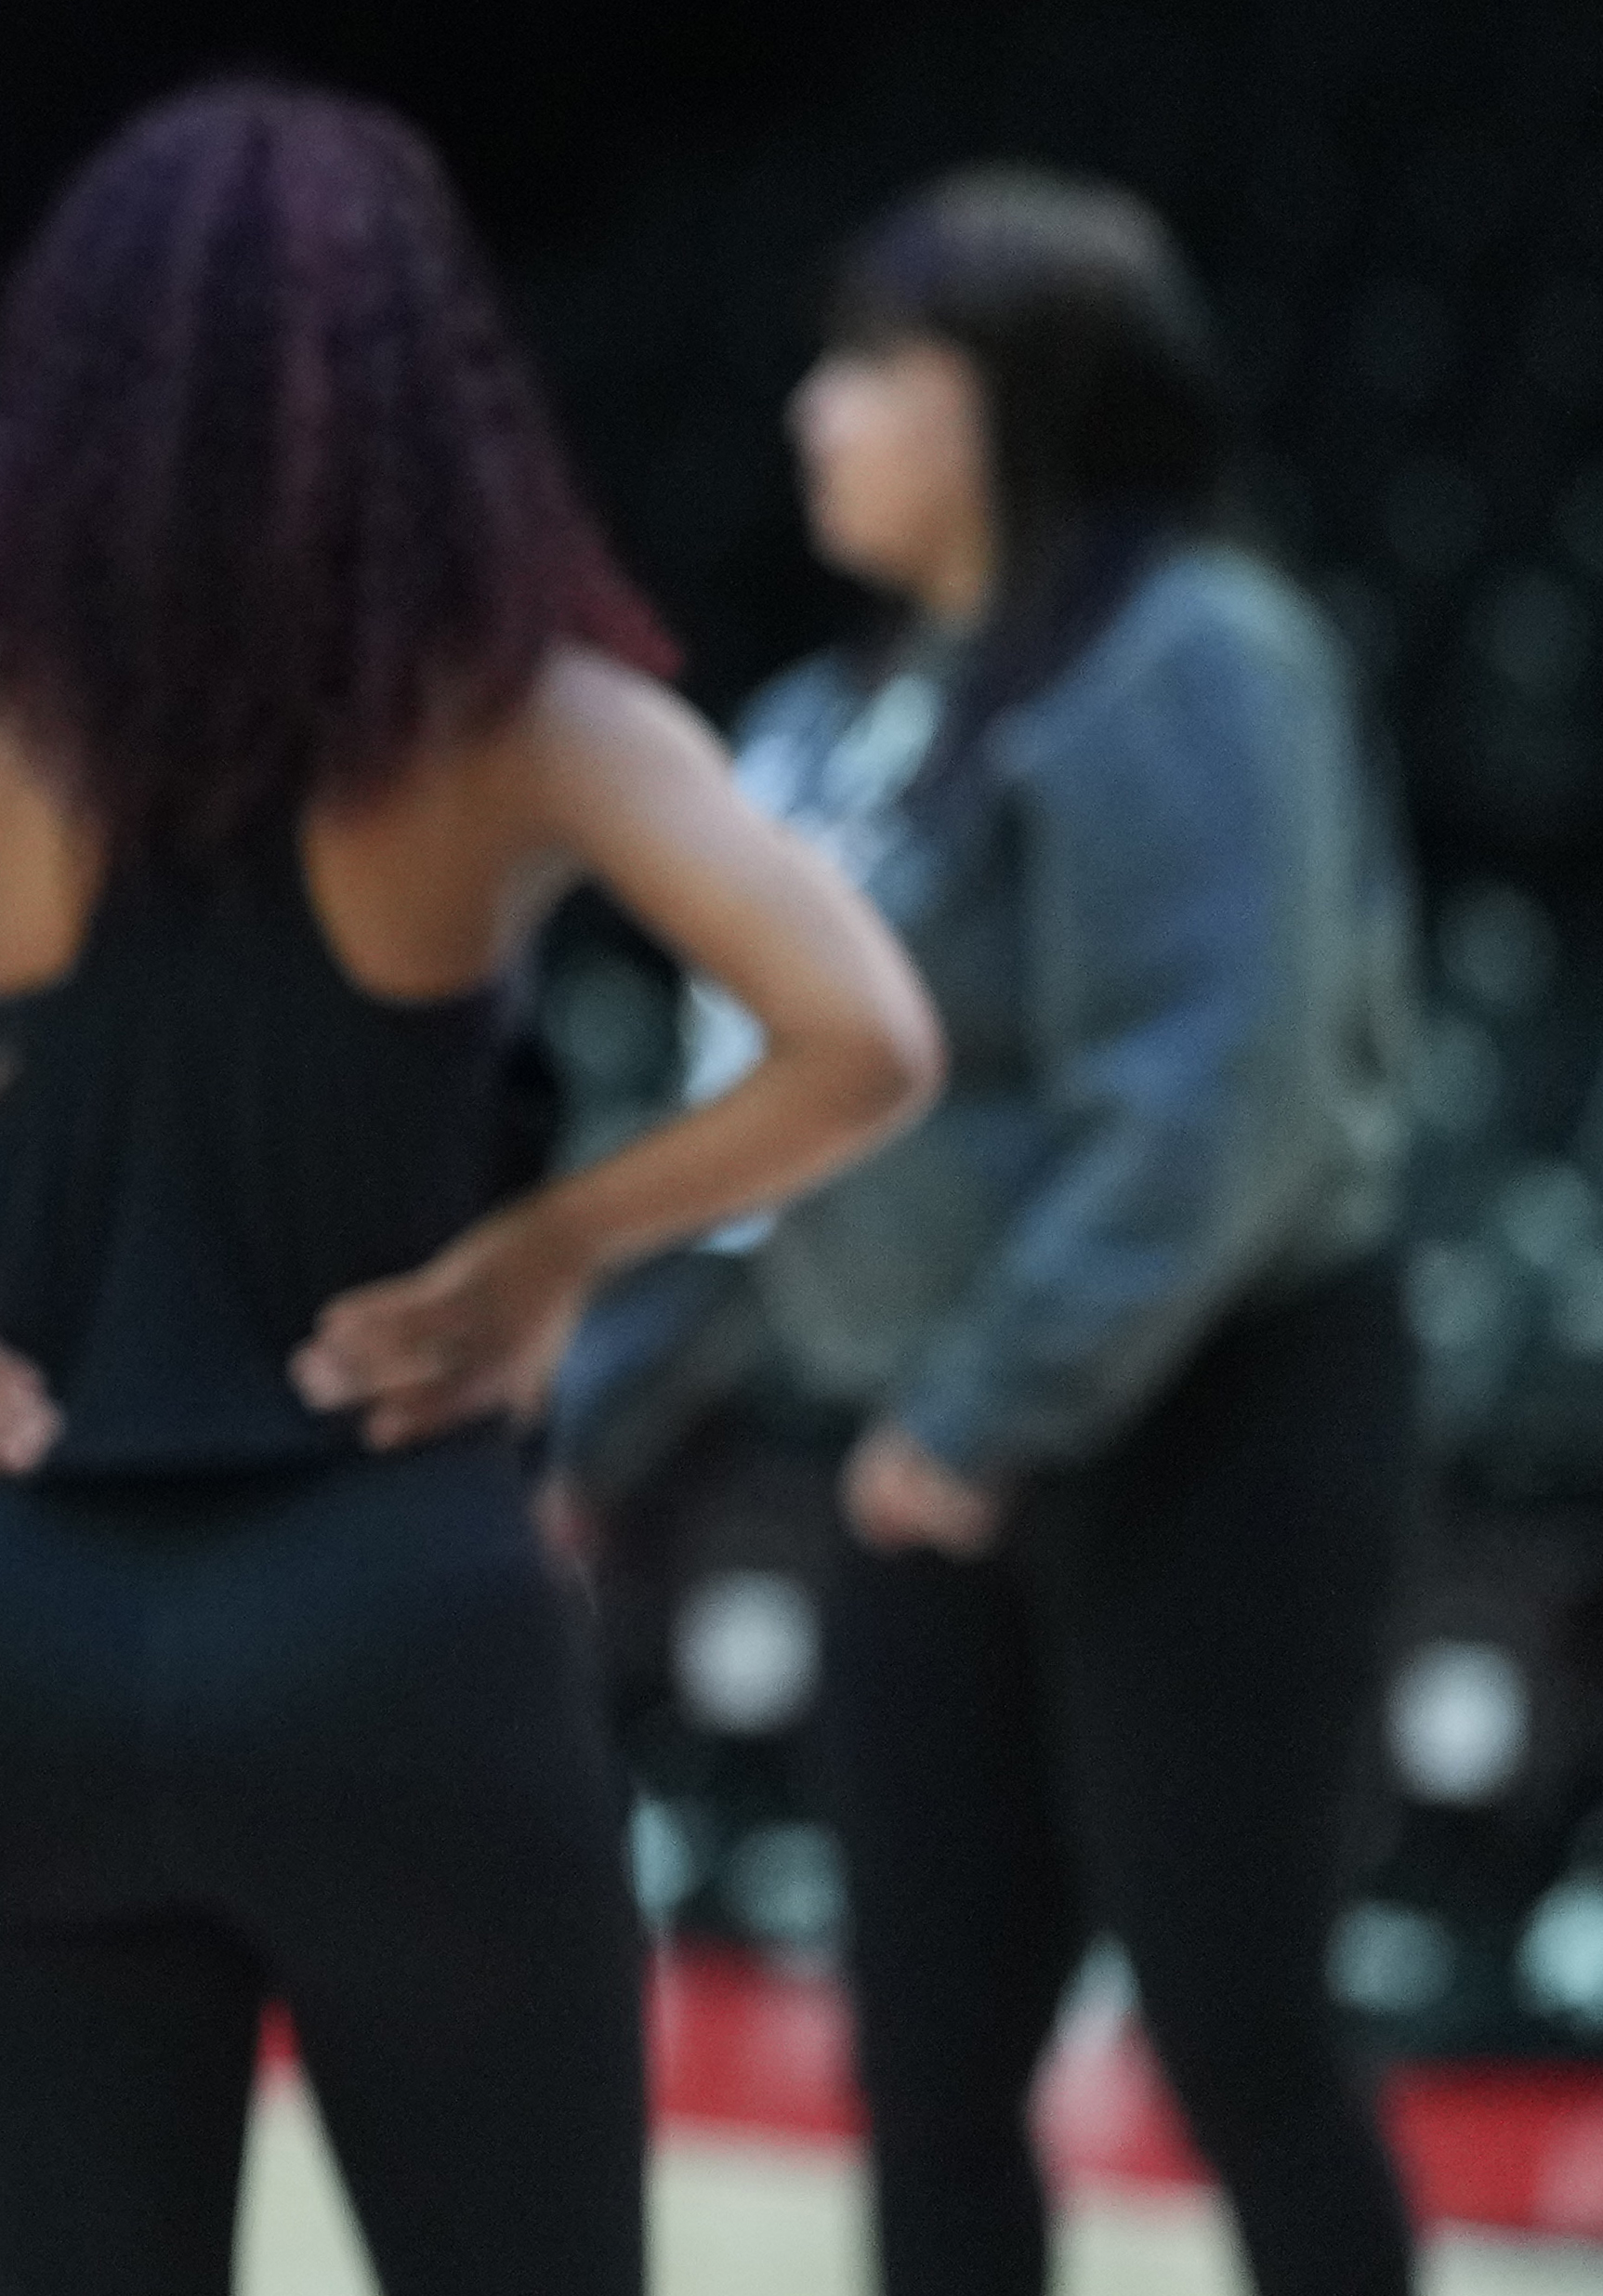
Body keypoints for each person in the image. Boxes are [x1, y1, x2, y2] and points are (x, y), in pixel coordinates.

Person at [0, 80, 944, 2296]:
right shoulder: (523, 717)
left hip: (21, 1645)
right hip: (399, 1633)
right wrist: (551, 1248)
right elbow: (864, 1039)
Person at [649, 167, 1419, 2296]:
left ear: (1013, 400)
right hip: (919, 1451)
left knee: (1234, 2028)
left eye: (868, 367)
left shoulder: (1195, 657)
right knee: (924, 2060)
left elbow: (1211, 1107)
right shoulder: (838, 717)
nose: (812, 413)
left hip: (1208, 1421)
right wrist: (571, 1416)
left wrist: (987, 1408)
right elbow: (745, 1134)